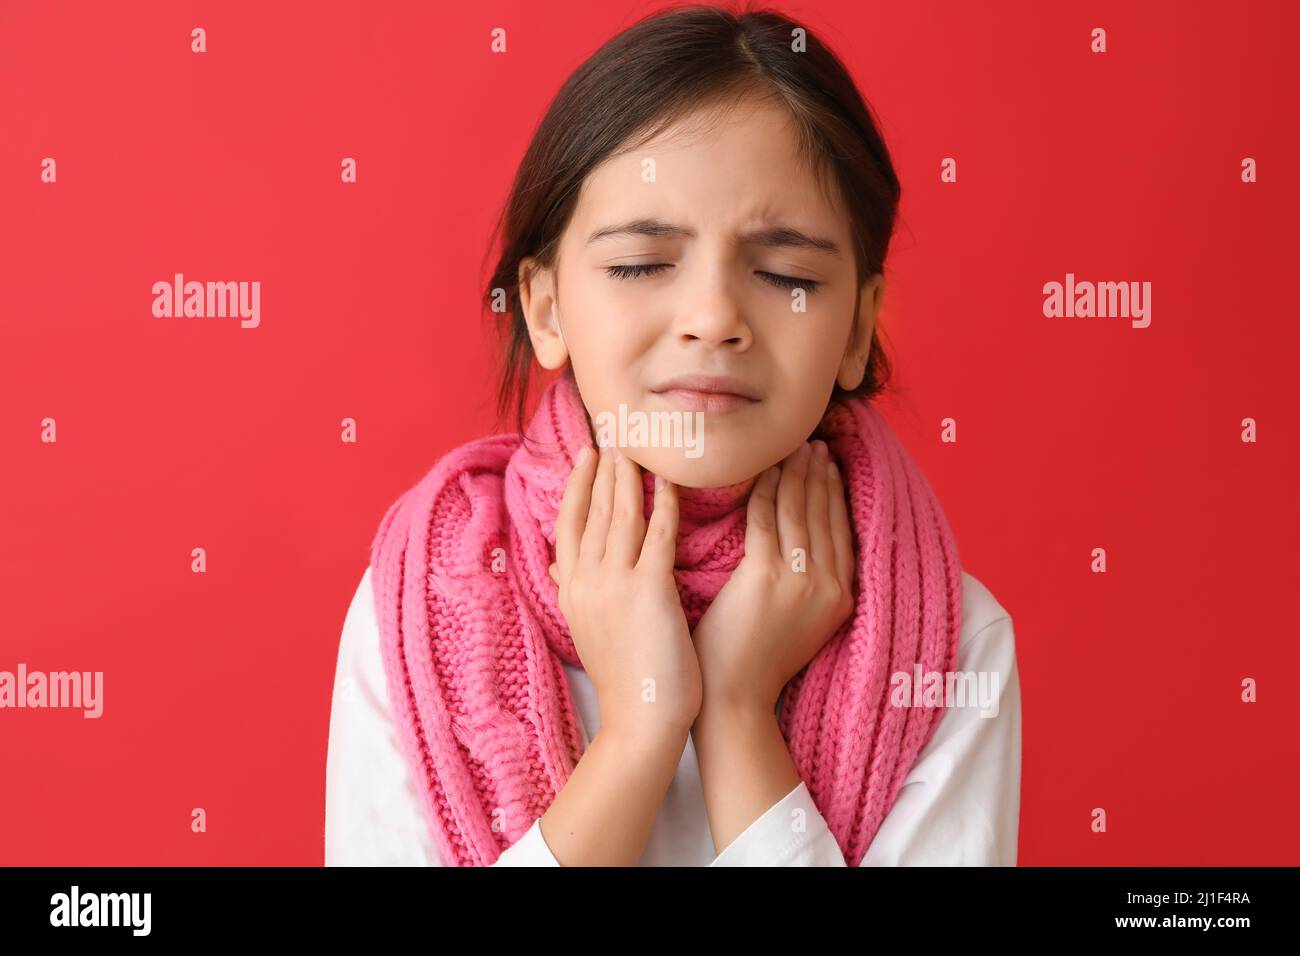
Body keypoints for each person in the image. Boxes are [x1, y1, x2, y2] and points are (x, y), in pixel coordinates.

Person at [326, 3, 1021, 866]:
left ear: (855, 329)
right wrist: (639, 734)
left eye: (784, 273)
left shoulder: (947, 642)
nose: (712, 318)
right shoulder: (417, 610)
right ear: (544, 308)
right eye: (640, 264)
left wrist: (735, 712)